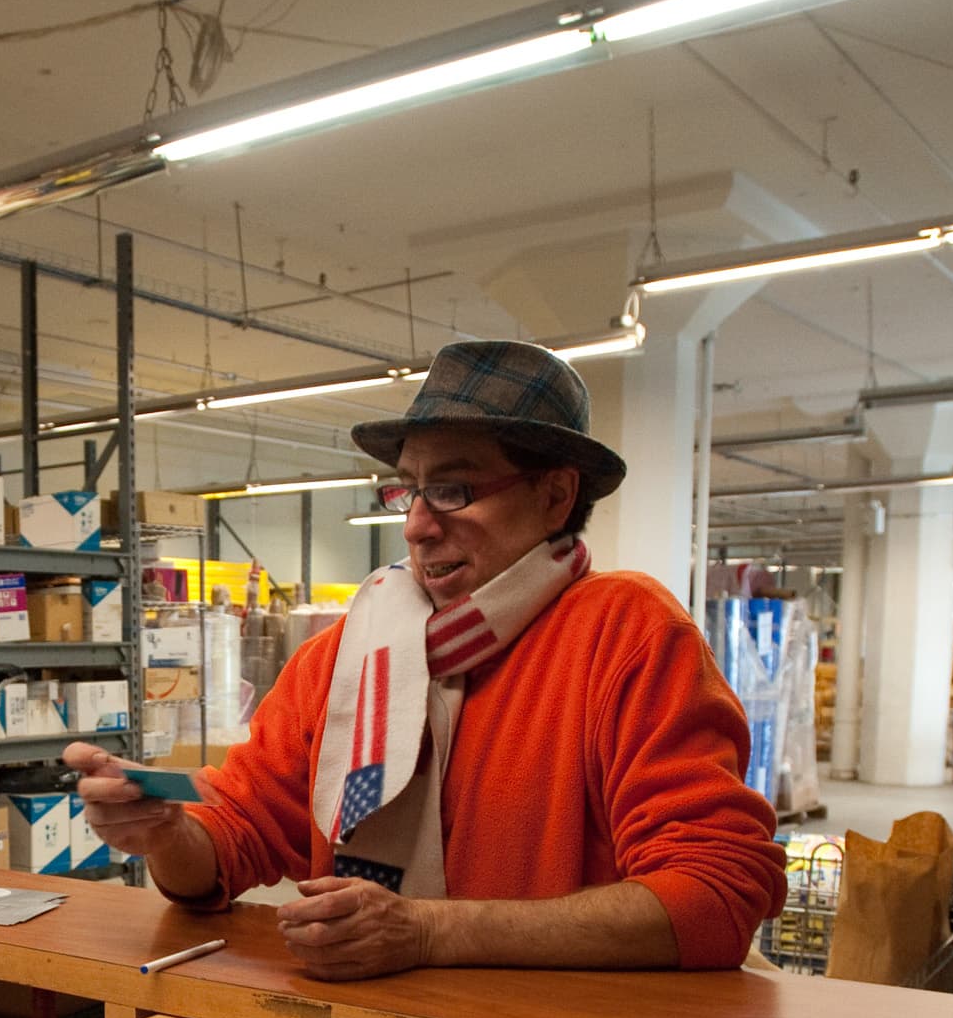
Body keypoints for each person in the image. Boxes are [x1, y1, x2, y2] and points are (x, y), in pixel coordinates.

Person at [65, 339, 785, 980]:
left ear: (556, 495)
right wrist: (165, 835)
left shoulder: (625, 635)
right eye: (409, 488)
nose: (415, 524)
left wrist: (430, 930)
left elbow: (716, 896)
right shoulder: (347, 659)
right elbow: (235, 841)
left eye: (453, 489)